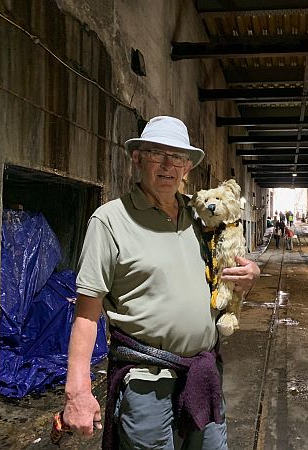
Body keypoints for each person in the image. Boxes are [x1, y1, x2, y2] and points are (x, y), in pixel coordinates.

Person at [63, 116, 260, 449]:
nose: (169, 165)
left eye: (178, 157)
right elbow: (86, 314)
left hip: (203, 373)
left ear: (187, 167)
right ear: (138, 158)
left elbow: (225, 266)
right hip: (146, 380)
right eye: (158, 154)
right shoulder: (110, 220)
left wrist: (249, 275)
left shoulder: (202, 216)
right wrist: (78, 391)